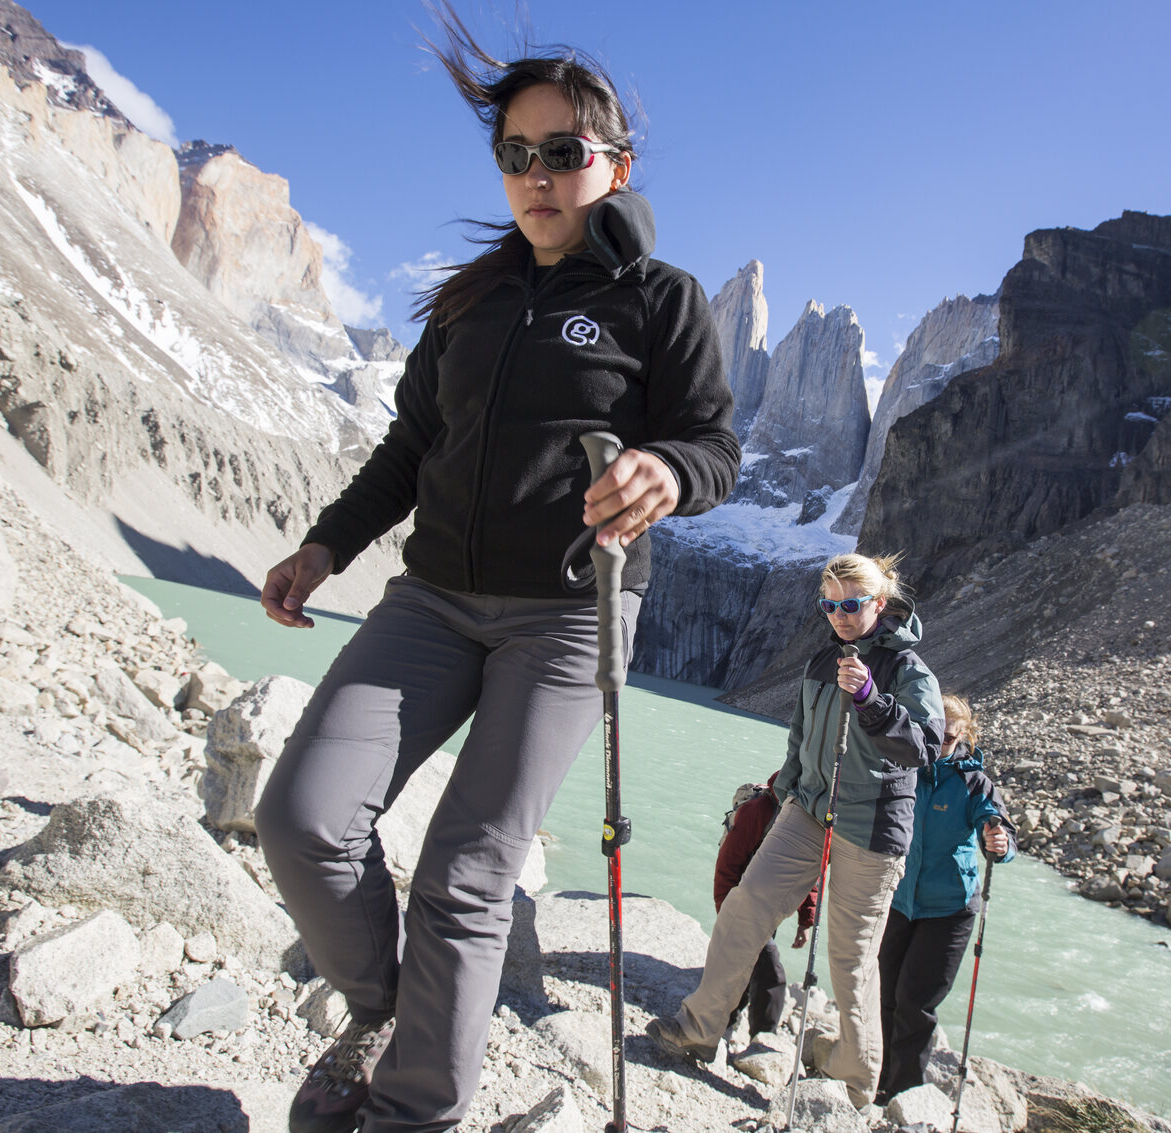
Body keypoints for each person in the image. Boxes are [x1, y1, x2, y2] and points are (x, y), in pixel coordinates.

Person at [250, 19, 739, 1133]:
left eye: (560, 150)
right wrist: (326, 544)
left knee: (465, 874)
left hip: (568, 617)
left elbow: (714, 447)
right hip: (428, 600)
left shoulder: (661, 298)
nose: (535, 175)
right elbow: (407, 448)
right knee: (302, 815)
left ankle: (411, 1113)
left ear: (613, 162)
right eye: (514, 154)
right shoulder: (469, 303)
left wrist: (665, 467)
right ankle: (385, 1011)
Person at [647, 553, 943, 1109]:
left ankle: (855, 1087)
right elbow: (800, 737)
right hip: (807, 811)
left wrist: (871, 701)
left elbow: (922, 749)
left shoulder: (909, 672)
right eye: (828, 605)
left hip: (872, 825)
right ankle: (699, 1026)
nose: (839, 616)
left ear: (880, 605)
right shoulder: (819, 662)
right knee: (746, 906)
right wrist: (783, 796)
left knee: (851, 959)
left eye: (851, 605)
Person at [875, 692, 1016, 1105]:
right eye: (935, 734)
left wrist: (999, 842)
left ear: (964, 737)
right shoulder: (903, 766)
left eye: (951, 738)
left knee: (915, 1003)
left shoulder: (975, 783)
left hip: (948, 909)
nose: (941, 745)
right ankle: (873, 1076)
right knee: (883, 994)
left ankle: (901, 1096)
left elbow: (1000, 833)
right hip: (899, 898)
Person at [714, 776, 818, 1049]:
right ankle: (762, 1039)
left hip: (769, 900)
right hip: (742, 898)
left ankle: (730, 1022)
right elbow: (727, 866)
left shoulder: (808, 813)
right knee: (769, 966)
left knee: (753, 960)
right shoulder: (757, 812)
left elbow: (807, 870)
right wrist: (726, 915)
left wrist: (806, 920)